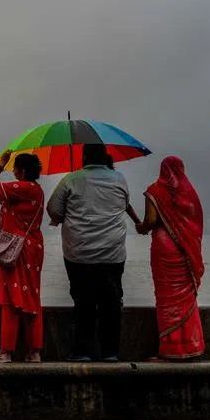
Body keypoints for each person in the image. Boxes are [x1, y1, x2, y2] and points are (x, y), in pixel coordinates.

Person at [47, 144, 130, 361]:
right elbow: (124, 203)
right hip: (113, 252)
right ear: (106, 158)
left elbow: (53, 209)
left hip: (79, 253)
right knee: (111, 302)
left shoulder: (70, 180)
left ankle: (82, 352)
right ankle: (110, 352)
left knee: (83, 301)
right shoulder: (119, 179)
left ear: (84, 157)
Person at [136, 156, 206, 360]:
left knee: (166, 299)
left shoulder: (154, 191)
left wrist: (141, 228)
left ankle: (170, 349)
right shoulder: (189, 194)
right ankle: (192, 347)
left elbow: (150, 220)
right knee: (186, 298)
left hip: (163, 248)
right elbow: (195, 224)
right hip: (184, 251)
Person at [0, 151, 45, 363]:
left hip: (15, 251)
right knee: (31, 299)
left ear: (22, 170)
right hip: (32, 249)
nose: (13, 172)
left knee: (9, 299)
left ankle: (6, 351)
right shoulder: (36, 190)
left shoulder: (23, 188)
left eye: (15, 168)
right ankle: (34, 351)